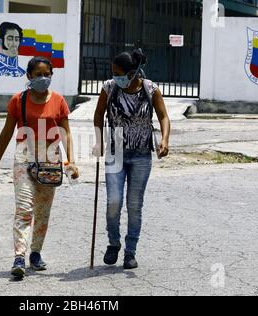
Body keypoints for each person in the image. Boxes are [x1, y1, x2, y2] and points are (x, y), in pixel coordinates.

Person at [0, 56, 79, 278]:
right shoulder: (18, 101)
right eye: (38, 74)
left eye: (46, 74)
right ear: (29, 76)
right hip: (24, 157)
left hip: (50, 159)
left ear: (51, 75)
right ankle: (19, 255)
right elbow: (7, 132)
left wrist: (72, 161)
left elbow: (66, 133)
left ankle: (35, 253)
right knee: (24, 207)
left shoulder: (59, 101)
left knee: (43, 211)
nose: (43, 78)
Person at [93, 49, 171, 269]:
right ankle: (113, 243)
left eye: (119, 73)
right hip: (115, 151)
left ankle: (130, 251)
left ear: (133, 72)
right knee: (113, 202)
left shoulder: (150, 89)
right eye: (113, 72)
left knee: (135, 205)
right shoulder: (109, 88)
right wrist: (99, 140)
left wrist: (164, 140)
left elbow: (163, 116)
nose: (115, 76)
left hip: (141, 154)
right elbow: (99, 114)